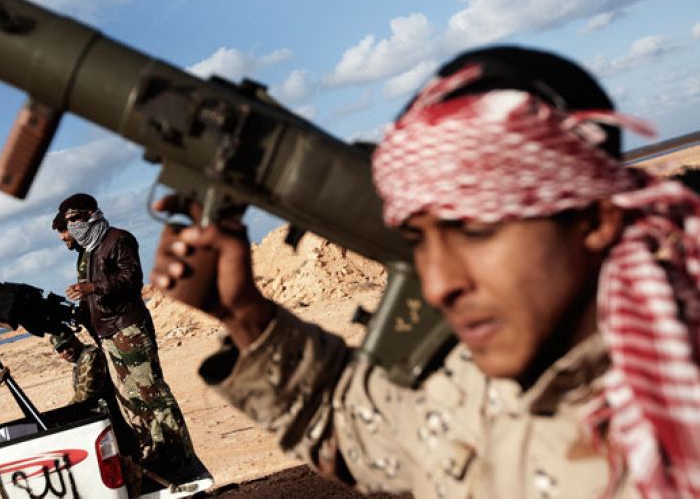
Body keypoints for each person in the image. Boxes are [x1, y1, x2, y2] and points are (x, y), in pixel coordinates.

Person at [151, 46, 700, 498]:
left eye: (475, 229)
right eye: (418, 240)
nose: (439, 284)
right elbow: (357, 433)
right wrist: (244, 313)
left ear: (594, 218)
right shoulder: (483, 385)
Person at [54, 193, 203, 481]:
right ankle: (160, 456)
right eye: (68, 223)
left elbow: (131, 279)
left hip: (128, 329)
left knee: (155, 396)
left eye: (73, 220)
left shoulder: (118, 239)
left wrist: (91, 288)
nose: (70, 229)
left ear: (89, 215)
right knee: (134, 400)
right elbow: (91, 299)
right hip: (108, 333)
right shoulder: (88, 252)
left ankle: (182, 459)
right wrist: (78, 312)